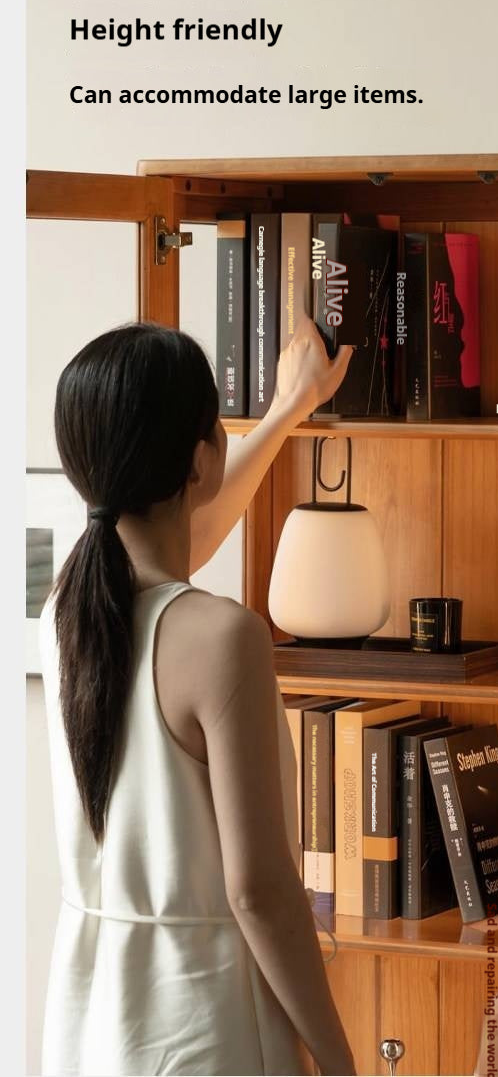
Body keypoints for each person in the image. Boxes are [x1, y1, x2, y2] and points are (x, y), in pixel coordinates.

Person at [38, 315, 357, 1076]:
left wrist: (286, 412)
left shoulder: (68, 611)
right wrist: (342, 1063)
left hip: (92, 1019)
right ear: (200, 457)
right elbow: (262, 894)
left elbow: (187, 538)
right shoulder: (223, 638)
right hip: (207, 1024)